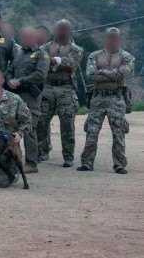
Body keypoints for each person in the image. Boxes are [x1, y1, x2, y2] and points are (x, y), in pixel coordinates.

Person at [79, 27, 134, 174]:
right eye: (109, 37)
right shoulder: (95, 55)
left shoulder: (126, 56)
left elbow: (125, 73)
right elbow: (91, 75)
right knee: (91, 131)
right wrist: (113, 73)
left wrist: (103, 71)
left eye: (114, 37)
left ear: (119, 39)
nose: (111, 40)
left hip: (116, 98)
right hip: (97, 98)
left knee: (118, 133)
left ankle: (119, 164)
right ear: (105, 39)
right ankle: (87, 162)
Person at [38, 19, 83, 167]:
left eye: (65, 29)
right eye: (60, 29)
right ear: (54, 30)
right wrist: (58, 62)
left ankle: (68, 156)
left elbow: (71, 63)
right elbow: (41, 64)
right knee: (42, 121)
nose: (62, 32)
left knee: (67, 123)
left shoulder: (77, 49)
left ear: (70, 31)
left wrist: (52, 61)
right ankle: (42, 151)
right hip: (47, 87)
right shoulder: (44, 47)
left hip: (66, 89)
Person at [5, 27, 50, 173]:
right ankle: (13, 160)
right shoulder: (18, 54)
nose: (26, 39)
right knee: (12, 128)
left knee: (29, 128)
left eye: (29, 36)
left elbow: (40, 74)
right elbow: (10, 69)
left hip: (30, 96)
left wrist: (21, 81)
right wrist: (9, 80)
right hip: (15, 96)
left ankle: (31, 163)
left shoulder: (41, 55)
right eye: (24, 36)